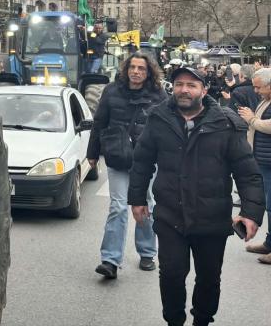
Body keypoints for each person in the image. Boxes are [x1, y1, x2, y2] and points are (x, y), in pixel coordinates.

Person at [128, 67, 265, 326]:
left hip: (212, 218)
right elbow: (142, 162)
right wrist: (137, 199)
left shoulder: (225, 123)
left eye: (191, 85)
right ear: (173, 88)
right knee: (171, 274)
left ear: (203, 90)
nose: (184, 90)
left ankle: (202, 320)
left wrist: (251, 213)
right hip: (170, 216)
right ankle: (174, 321)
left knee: (209, 278)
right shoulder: (159, 119)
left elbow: (247, 173)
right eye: (179, 84)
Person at [86, 51, 167, 279]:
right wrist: (92, 153)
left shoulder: (158, 95)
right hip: (117, 157)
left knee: (145, 205)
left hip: (147, 161)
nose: (136, 72)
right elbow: (99, 122)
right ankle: (110, 260)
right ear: (126, 69)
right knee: (118, 207)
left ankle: (147, 252)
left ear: (148, 71)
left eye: (141, 68)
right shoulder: (112, 91)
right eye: (132, 67)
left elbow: (168, 128)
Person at [237, 67, 271, 263]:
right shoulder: (266, 100)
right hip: (263, 160)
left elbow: (263, 124)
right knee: (269, 206)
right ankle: (269, 242)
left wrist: (251, 119)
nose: (256, 91)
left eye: (259, 87)